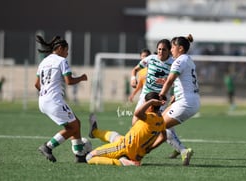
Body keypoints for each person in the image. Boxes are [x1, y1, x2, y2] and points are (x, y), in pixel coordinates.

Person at [130, 39, 188, 160]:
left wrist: (175, 95)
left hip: (161, 99)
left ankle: (183, 150)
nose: (160, 52)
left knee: (161, 125)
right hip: (146, 96)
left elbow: (178, 81)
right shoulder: (150, 58)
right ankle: (178, 149)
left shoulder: (173, 63)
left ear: (169, 51)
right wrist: (133, 78)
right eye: (159, 49)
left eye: (164, 49)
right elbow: (135, 69)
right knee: (135, 122)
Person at [34, 35, 88, 163]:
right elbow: (69, 81)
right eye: (66, 50)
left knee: (76, 123)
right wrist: (81, 78)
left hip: (42, 101)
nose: (67, 53)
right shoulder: (61, 61)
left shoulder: (43, 62)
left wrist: (46, 92)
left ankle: (80, 155)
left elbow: (36, 85)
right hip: (53, 101)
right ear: (60, 48)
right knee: (72, 127)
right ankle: (48, 147)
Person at [86, 92, 166, 166]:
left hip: (124, 148)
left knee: (89, 157)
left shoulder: (149, 117)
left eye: (145, 103)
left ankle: (121, 162)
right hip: (137, 154)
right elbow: (163, 137)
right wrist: (150, 148)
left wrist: (151, 101)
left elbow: (137, 113)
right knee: (115, 136)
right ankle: (95, 132)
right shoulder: (161, 120)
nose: (143, 104)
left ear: (151, 106)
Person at [156, 34, 201, 166]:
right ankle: (178, 149)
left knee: (158, 125)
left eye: (173, 47)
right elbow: (184, 81)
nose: (170, 50)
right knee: (160, 121)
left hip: (186, 102)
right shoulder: (188, 59)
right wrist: (175, 94)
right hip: (191, 100)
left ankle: (182, 150)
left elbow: (170, 80)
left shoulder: (179, 60)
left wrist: (161, 96)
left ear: (180, 48)